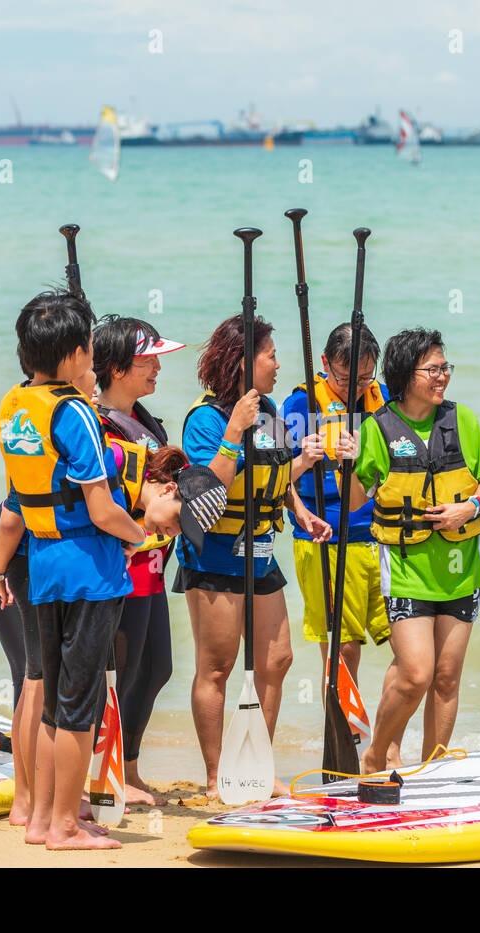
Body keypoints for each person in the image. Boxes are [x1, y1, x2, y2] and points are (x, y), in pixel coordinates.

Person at [0, 290, 144, 850]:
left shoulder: (13, 406)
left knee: (52, 702)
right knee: (79, 706)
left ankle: (41, 819)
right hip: (88, 572)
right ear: (76, 353)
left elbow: (13, 509)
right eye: (92, 348)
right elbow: (102, 509)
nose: (94, 358)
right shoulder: (75, 412)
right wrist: (143, 535)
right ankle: (65, 828)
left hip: (41, 567)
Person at [176, 314, 330, 800]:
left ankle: (256, 765)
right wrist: (233, 431)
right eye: (270, 355)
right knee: (217, 667)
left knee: (278, 659)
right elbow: (206, 489)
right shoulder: (205, 419)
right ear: (243, 362)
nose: (278, 364)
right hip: (216, 555)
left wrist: (301, 511)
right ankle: (216, 773)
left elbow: (275, 474)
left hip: (261, 552)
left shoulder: (269, 410)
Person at [342, 328, 480, 774]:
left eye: (445, 367)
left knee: (446, 677)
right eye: (432, 369)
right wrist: (350, 461)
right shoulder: (378, 428)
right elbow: (353, 500)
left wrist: (467, 508)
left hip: (462, 567)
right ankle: (377, 754)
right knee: (416, 673)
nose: (442, 376)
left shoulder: (462, 420)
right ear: (405, 374)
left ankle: (432, 770)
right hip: (407, 567)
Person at [91, 314, 187, 805]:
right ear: (116, 367)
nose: (156, 369)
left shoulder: (147, 420)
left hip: (152, 566)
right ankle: (103, 775)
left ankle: (127, 767)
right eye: (148, 360)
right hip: (117, 568)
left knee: (156, 669)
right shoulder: (95, 422)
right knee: (119, 673)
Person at [280, 322, 394, 726]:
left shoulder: (382, 402)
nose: (355, 389)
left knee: (405, 637)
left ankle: (386, 737)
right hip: (324, 536)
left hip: (381, 536)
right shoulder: (299, 407)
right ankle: (345, 731)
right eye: (346, 379)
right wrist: (302, 505)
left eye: (365, 378)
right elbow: (276, 481)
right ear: (325, 363)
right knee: (343, 647)